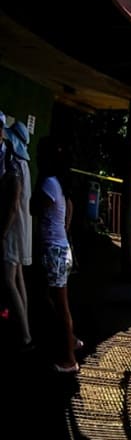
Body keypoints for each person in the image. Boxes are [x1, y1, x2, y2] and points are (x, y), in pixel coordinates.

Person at [31, 135, 77, 373]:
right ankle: (70, 339)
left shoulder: (49, 183)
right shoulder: (59, 183)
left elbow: (33, 206)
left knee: (61, 306)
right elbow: (69, 207)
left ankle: (69, 359)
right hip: (59, 248)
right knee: (50, 298)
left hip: (55, 249)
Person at [2, 113, 33, 351]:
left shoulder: (14, 167)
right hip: (23, 227)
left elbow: (12, 204)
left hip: (13, 229)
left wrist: (2, 232)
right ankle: (24, 325)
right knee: (19, 278)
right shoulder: (25, 165)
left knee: (8, 280)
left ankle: (24, 334)